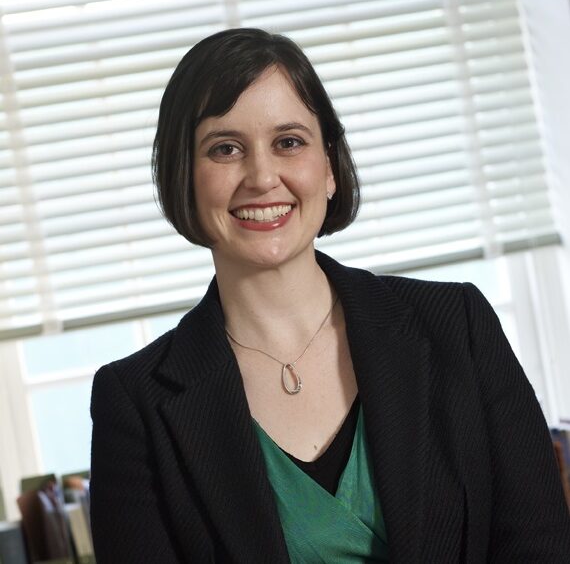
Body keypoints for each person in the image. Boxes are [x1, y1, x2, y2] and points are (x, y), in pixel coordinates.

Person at [89, 28, 570, 563]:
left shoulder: (458, 324)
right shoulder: (133, 404)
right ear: (184, 177)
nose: (262, 176)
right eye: (225, 149)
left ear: (331, 166)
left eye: (288, 142)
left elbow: (540, 545)